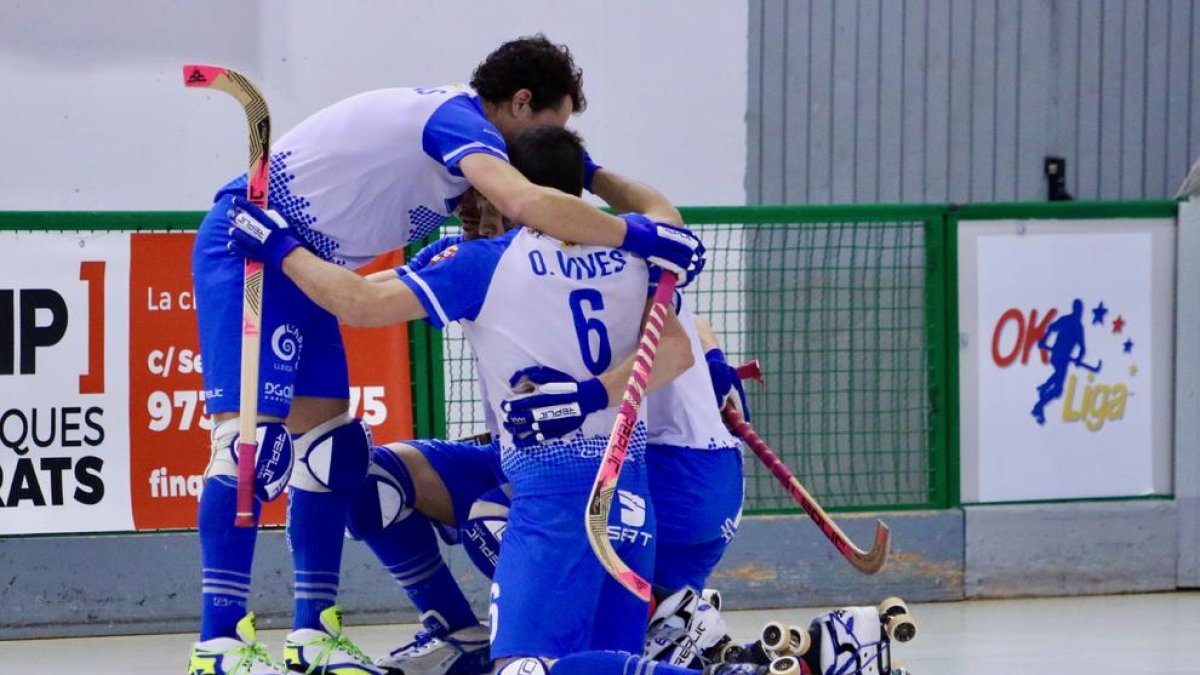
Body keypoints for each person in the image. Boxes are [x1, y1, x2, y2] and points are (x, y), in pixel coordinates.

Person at [188, 35, 705, 675]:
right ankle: (219, 644)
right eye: (557, 125)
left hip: (311, 268)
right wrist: (645, 235)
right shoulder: (460, 129)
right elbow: (526, 202)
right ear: (520, 102)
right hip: (254, 246)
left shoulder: (491, 239)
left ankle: (313, 631)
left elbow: (537, 200)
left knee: (333, 452)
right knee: (251, 447)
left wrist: (581, 165)